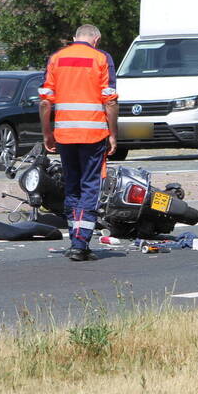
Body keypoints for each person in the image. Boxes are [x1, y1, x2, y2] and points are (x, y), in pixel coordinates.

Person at [38, 24, 119, 262]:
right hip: (93, 134)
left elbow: (45, 102)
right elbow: (110, 101)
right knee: (90, 187)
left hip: (64, 134)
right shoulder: (102, 58)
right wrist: (113, 133)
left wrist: (46, 133)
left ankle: (75, 240)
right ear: (97, 39)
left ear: (75, 38)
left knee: (72, 186)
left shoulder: (56, 58)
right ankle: (80, 243)